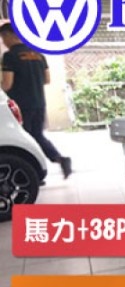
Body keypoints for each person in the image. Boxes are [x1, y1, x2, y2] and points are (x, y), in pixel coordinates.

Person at [0, 22, 72, 178]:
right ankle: (59, 159)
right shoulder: (39, 54)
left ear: (8, 35)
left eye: (3, 38)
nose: (3, 42)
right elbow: (47, 79)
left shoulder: (10, 56)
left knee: (22, 139)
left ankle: (30, 172)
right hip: (39, 102)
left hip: (20, 105)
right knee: (36, 135)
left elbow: (7, 84)